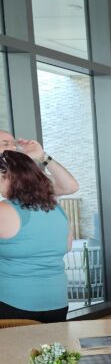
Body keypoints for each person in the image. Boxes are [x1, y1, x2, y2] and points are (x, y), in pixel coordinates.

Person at [0, 149, 75, 322]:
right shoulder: (56, 208)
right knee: (48, 341)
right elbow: (67, 246)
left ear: (8, 176)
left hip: (13, 302)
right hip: (57, 302)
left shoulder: (4, 210)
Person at [0, 131, 79, 199]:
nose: (13, 148)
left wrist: (42, 156)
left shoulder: (22, 175)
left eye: (14, 144)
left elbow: (69, 187)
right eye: (5, 144)